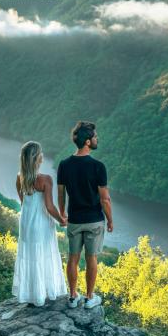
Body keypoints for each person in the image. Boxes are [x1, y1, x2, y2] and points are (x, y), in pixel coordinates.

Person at [57, 121, 113, 309]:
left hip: (74, 220)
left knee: (72, 258)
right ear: (88, 142)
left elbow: (61, 193)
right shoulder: (98, 167)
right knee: (92, 259)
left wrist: (62, 213)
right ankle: (89, 298)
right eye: (95, 137)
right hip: (94, 220)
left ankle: (73, 297)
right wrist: (111, 220)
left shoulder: (64, 165)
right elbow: (105, 199)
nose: (98, 139)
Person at [12, 141, 68, 307]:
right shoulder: (45, 179)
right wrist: (61, 221)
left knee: (30, 255)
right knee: (43, 254)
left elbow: (24, 203)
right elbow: (50, 207)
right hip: (41, 223)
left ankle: (31, 294)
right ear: (37, 158)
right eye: (41, 153)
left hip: (26, 222)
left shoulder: (19, 178)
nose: (43, 155)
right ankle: (44, 292)